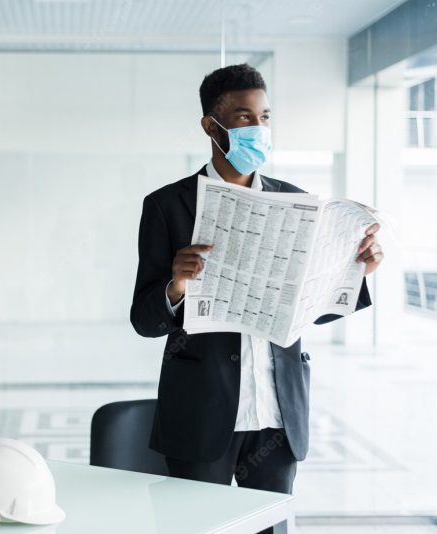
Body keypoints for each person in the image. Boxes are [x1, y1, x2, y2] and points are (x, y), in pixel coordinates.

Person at [129, 64, 384, 532]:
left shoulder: (297, 202)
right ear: (212, 126)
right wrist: (176, 285)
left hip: (278, 415)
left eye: (265, 117)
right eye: (245, 118)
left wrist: (356, 271)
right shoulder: (168, 205)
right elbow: (145, 319)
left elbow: (312, 305)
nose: (259, 128)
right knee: (194, 527)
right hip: (203, 414)